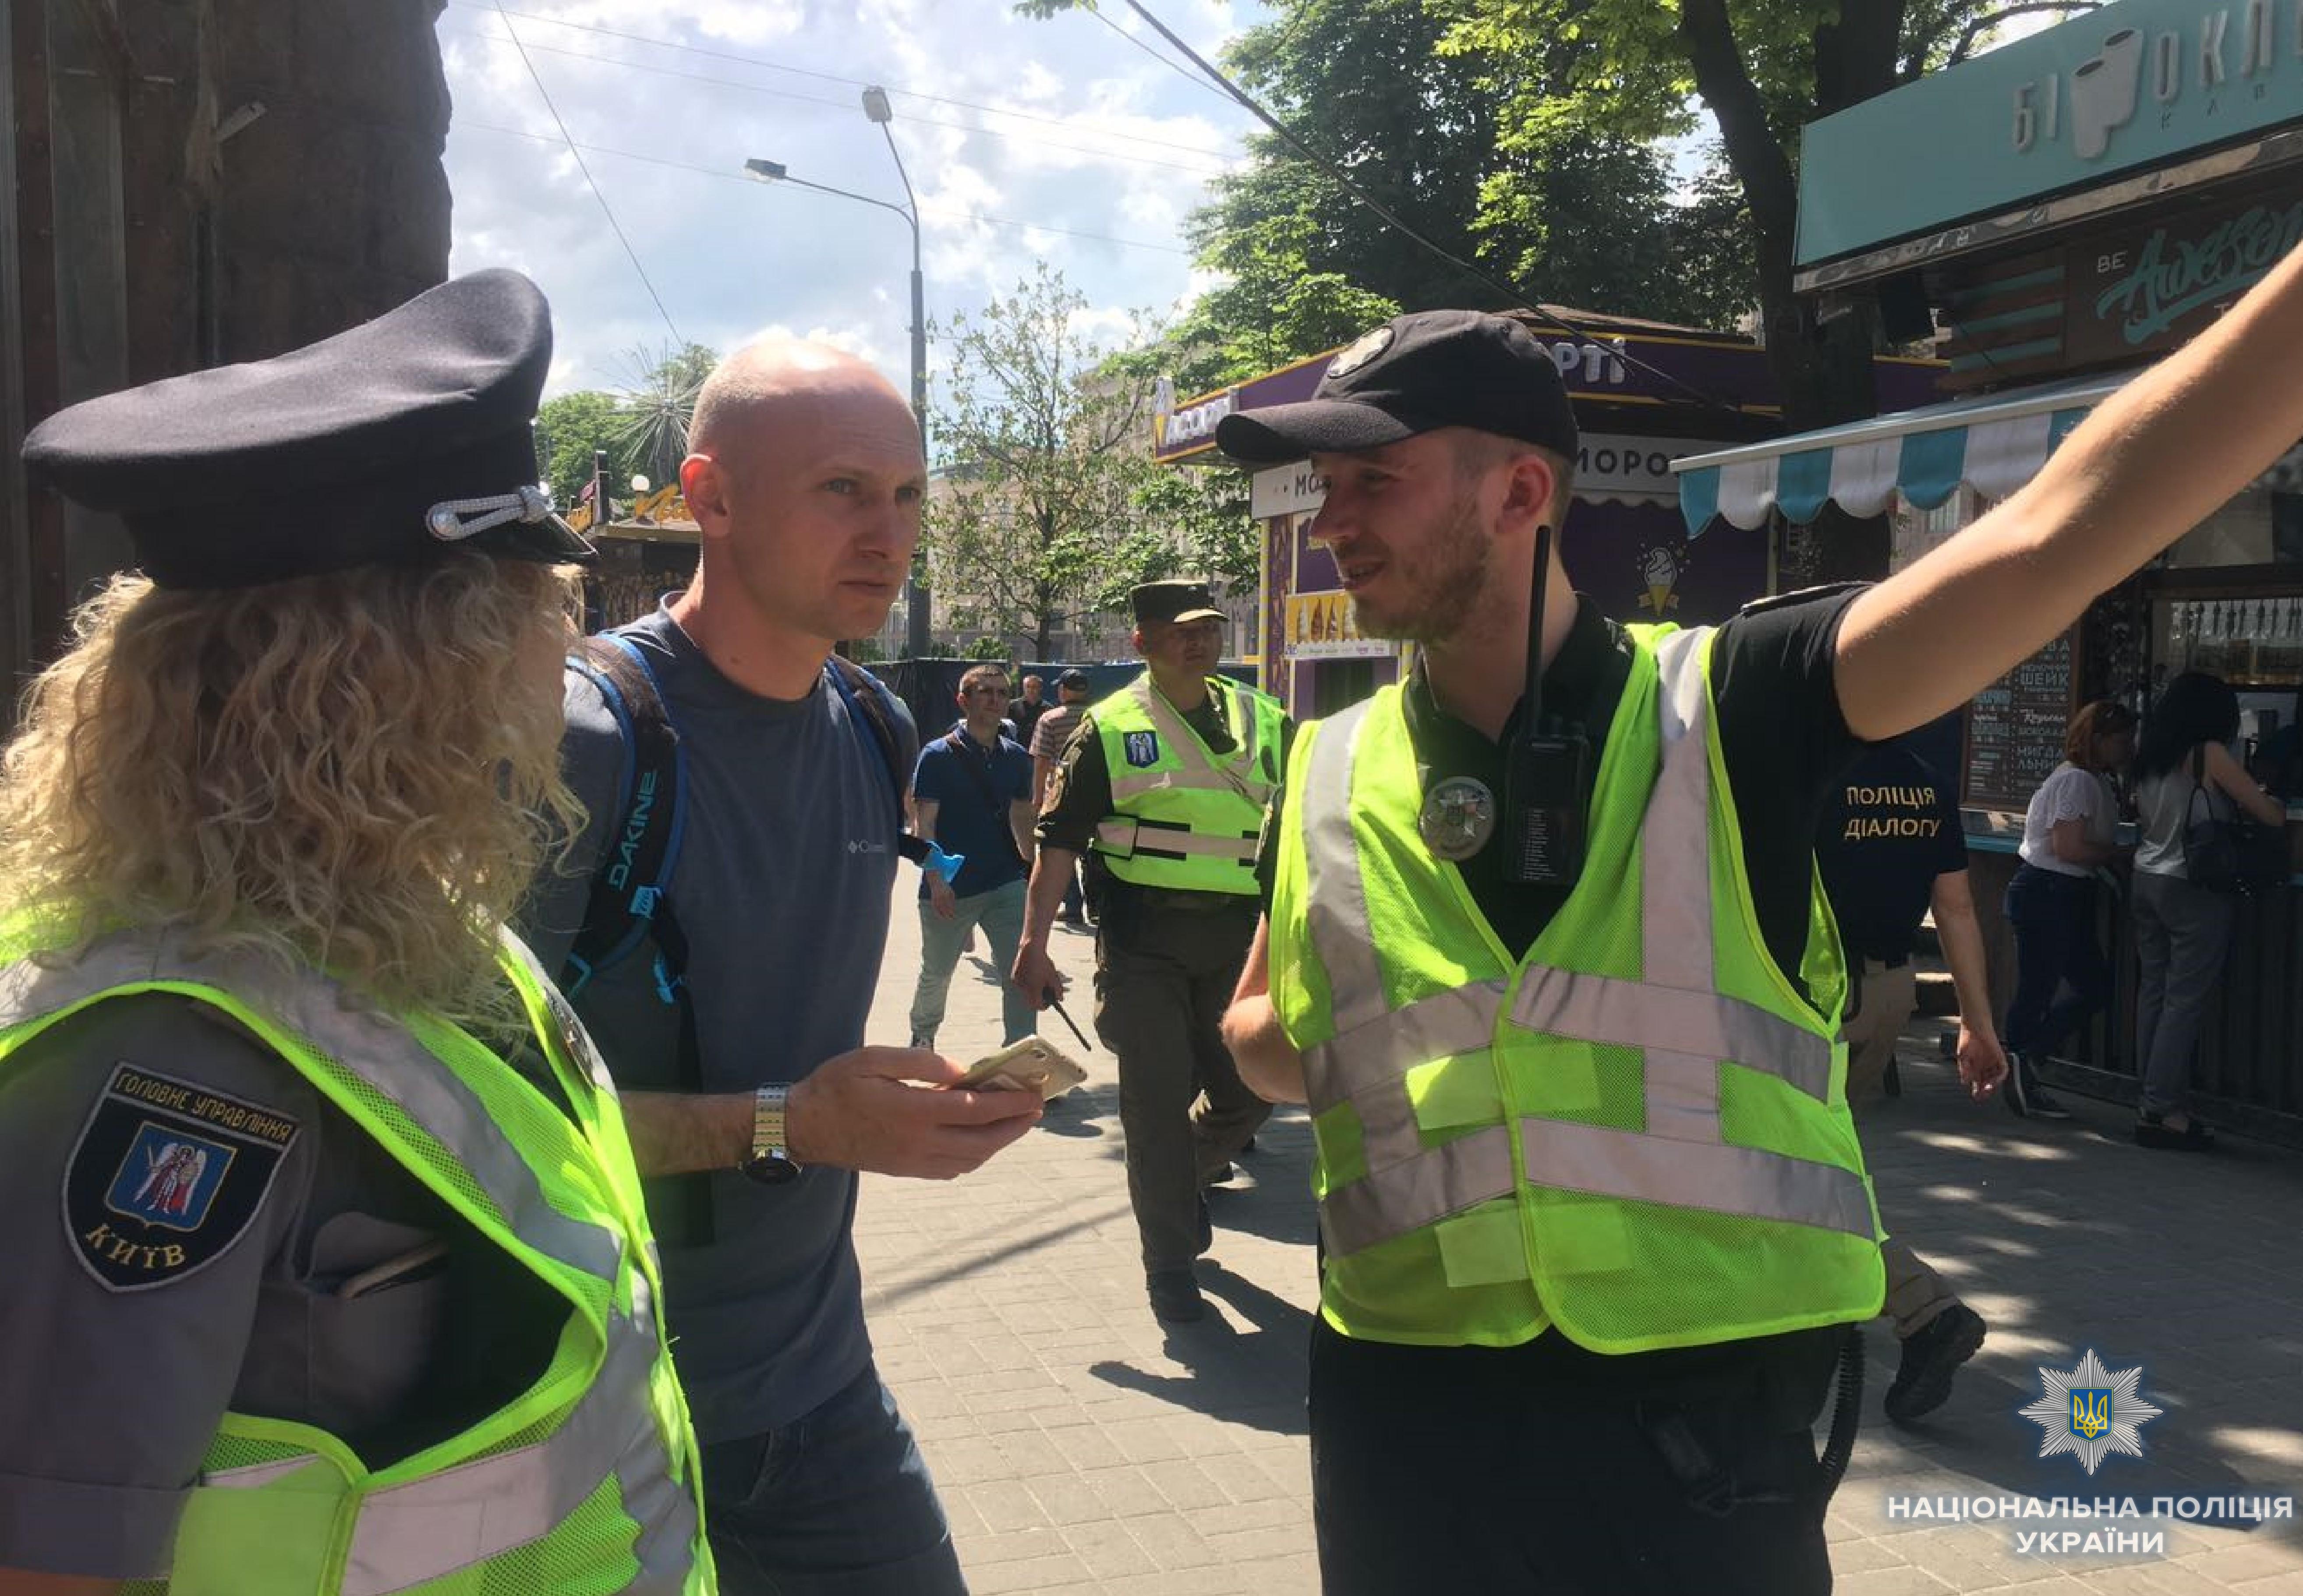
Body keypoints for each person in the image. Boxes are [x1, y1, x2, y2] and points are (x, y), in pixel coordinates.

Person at [1215, 255, 2303, 1596]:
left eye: (1372, 479)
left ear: (1522, 491)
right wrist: (1374, 1050)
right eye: (1324, 485)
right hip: (1400, 1401)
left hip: (1699, 1419)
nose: (1332, 520)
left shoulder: (1732, 700)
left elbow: (2056, 530)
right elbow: (1257, 1025)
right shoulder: (1325, 761)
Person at [0, 271, 712, 1591]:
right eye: (534, 607)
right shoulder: (159, 1061)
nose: (558, 653)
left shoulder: (418, 928)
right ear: (414, 669)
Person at [521, 338, 1043, 1594]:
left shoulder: (875, 722)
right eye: (842, 490)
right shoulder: (578, 741)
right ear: (709, 497)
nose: (889, 536)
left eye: (907, 495)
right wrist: (790, 1123)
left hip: (819, 1389)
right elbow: (458, 1128)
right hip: (585, 1415)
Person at [1013, 581, 1287, 1324]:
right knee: (1155, 1105)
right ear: (1142, 642)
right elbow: (1058, 841)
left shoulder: (1264, 717)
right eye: (1180, 630)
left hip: (1240, 940)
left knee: (1253, 1088)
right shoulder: (1109, 727)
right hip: (1144, 943)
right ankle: (1168, 1263)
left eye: (1209, 628)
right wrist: (1034, 943)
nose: (1199, 641)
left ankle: (1176, 1176)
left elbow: (1300, 828)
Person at [1815, 726, 2007, 1423]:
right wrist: (1977, 1020)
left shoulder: (1809, 772)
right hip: (1887, 992)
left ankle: (1925, 1309)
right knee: (1828, 1160)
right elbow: (1955, 906)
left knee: (1796, 1170)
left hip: (1812, 993)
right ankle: (1828, 1302)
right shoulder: (1925, 781)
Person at [2129, 672, 2287, 1149]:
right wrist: (2273, 798)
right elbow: (2269, 814)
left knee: (2154, 990)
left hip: (2145, 876)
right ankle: (2162, 1109)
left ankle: (2149, 1097)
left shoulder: (2149, 752)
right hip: (2191, 883)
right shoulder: (2209, 754)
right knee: (2183, 998)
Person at [2001, 699, 2137, 1119]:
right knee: (2041, 987)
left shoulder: (2088, 779)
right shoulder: (2077, 781)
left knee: (2087, 985)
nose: (2128, 747)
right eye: (2120, 740)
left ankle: (2026, 1060)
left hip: (2059, 890)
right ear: (2098, 740)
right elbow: (2069, 847)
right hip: (2051, 888)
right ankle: (2022, 1062)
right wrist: (2119, 854)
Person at [908, 662, 1038, 1051]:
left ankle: (1020, 1049)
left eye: (1002, 693)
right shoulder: (937, 755)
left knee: (1019, 971)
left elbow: (1022, 816)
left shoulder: (1017, 757)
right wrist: (937, 881)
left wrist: (1032, 870)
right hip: (951, 887)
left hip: (1005, 882)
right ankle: (923, 1038)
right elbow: (924, 824)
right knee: (937, 972)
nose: (995, 700)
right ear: (963, 700)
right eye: (985, 692)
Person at [1031, 669, 1096, 925]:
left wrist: (1038, 799)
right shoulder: (1100, 716)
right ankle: (1096, 906)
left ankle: (1072, 905)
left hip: (1062, 794)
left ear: (1064, 691)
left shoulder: (1050, 719)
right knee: (1094, 853)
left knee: (1061, 849)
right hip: (1099, 793)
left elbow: (1041, 761)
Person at [1008, 672, 1050, 749]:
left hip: (1039, 749)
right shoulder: (1012, 707)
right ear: (1023, 688)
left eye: (1034, 687)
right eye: (1028, 687)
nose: (1031, 690)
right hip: (1016, 748)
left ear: (1040, 688)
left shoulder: (1048, 709)